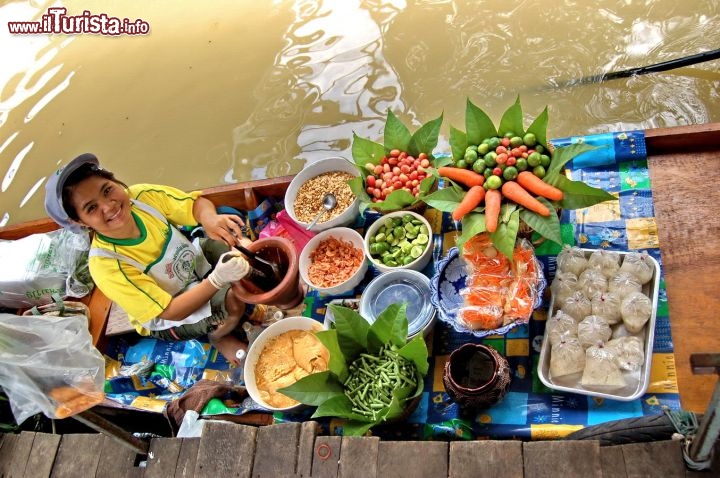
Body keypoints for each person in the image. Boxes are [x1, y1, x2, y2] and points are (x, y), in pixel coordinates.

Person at [44, 153, 273, 365]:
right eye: (91, 208)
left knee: (238, 246)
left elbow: (196, 205)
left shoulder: (142, 197)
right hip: (173, 311)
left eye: (107, 190)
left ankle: (259, 293)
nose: (109, 206)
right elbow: (170, 310)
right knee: (234, 300)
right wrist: (217, 280)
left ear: (114, 181)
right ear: (80, 222)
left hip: (192, 262)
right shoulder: (106, 265)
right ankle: (219, 336)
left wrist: (210, 219)